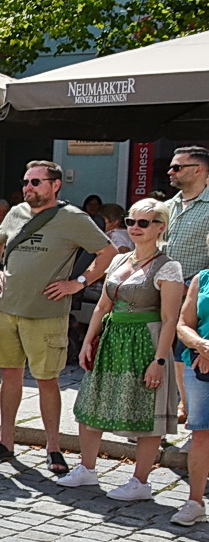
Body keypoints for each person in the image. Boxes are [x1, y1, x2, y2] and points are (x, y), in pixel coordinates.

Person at [0, 161, 116, 474]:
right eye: (26, 181)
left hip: (47, 314)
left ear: (55, 185)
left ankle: (53, 447)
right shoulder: (15, 213)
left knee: (47, 381)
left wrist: (77, 283)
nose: (29, 187)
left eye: (36, 182)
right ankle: (5, 441)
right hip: (7, 309)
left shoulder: (73, 218)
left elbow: (107, 253)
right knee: (9, 376)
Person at [59, 198, 183, 499]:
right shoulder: (120, 260)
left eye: (144, 223)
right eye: (131, 222)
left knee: (145, 409)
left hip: (146, 339)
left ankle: (140, 482)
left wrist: (160, 361)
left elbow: (169, 320)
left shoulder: (169, 268)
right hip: (113, 339)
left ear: (160, 227)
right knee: (91, 402)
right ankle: (86, 469)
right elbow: (103, 305)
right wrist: (88, 341)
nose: (135, 228)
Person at [163, 147, 209, 418]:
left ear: (199, 170)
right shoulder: (167, 207)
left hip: (195, 292)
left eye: (177, 167)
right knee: (161, 348)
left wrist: (191, 284)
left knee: (185, 349)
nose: (170, 171)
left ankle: (186, 403)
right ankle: (174, 401)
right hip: (161, 292)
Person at [170, 253, 209, 526]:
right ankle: (195, 501)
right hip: (201, 365)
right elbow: (183, 324)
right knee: (201, 435)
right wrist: (202, 346)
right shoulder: (202, 278)